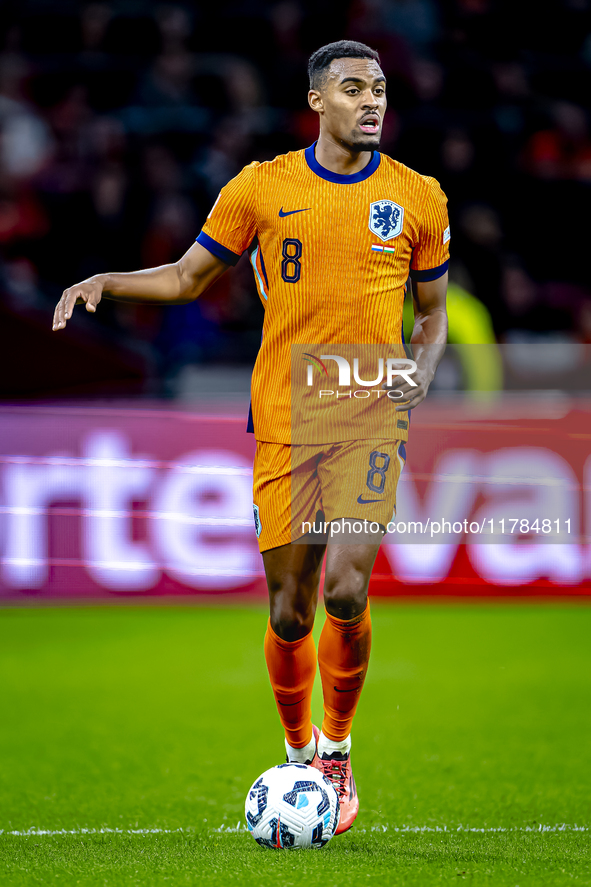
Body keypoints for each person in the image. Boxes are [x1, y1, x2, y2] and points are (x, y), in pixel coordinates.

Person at [52, 40, 449, 835]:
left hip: (368, 416)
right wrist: (106, 280)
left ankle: (335, 752)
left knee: (346, 588)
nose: (370, 101)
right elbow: (186, 276)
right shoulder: (261, 187)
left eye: (376, 88)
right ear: (316, 102)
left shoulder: (417, 196)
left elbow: (434, 311)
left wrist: (415, 375)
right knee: (291, 610)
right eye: (351, 88)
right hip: (286, 423)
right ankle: (297, 750)